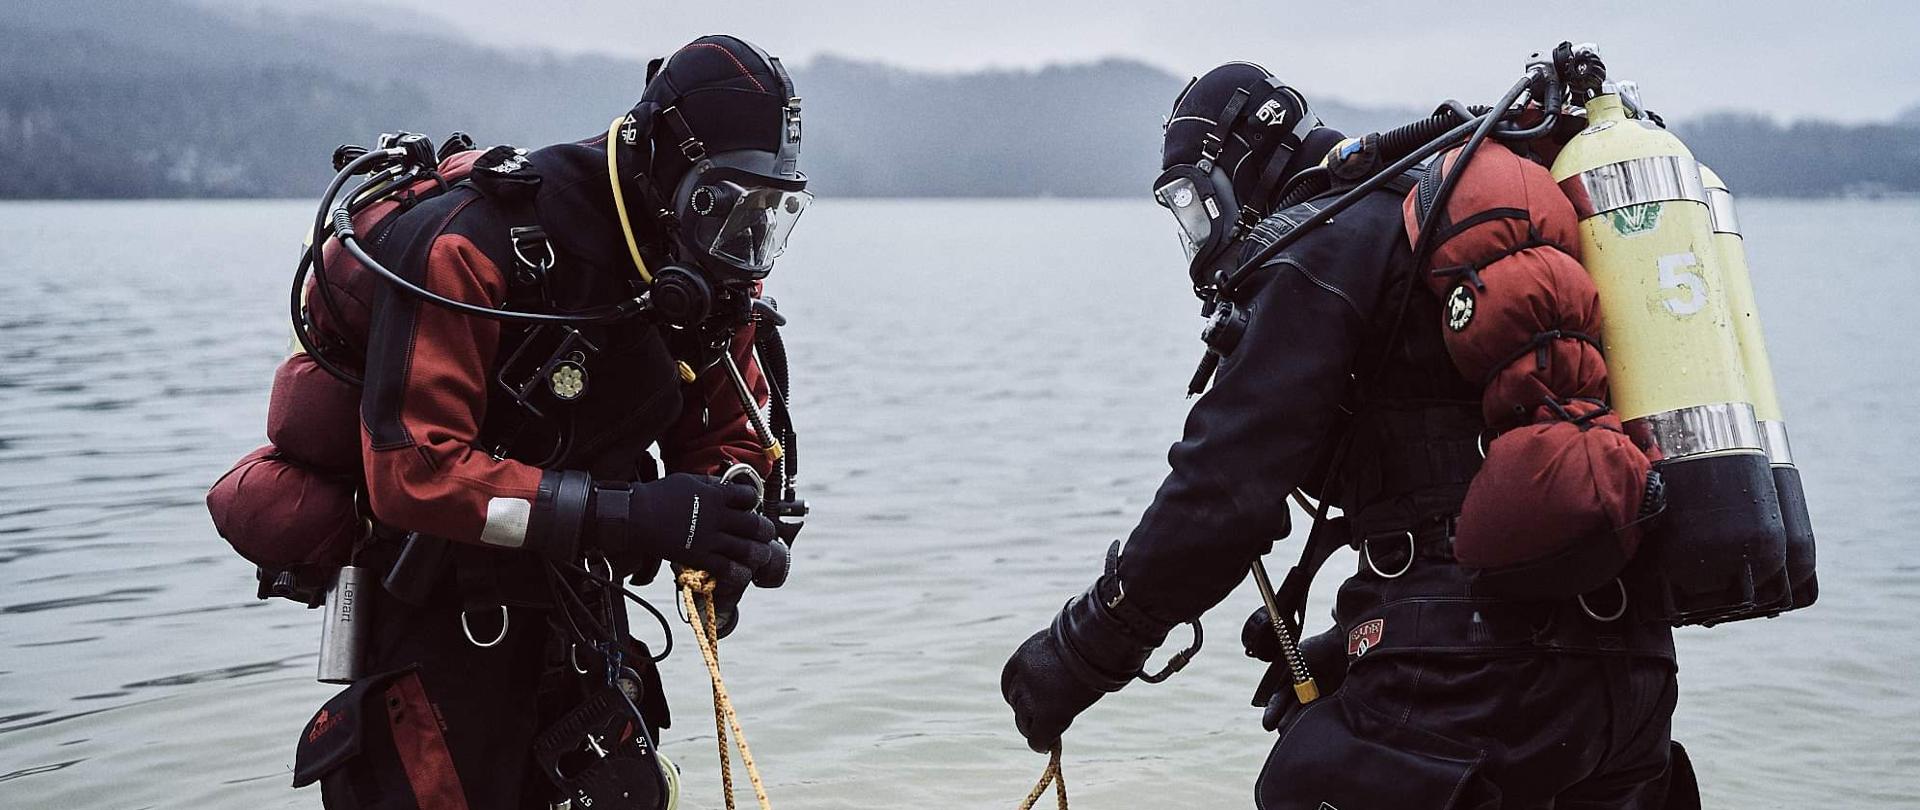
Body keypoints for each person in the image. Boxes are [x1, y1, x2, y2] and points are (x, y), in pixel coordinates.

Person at [1000, 62, 1691, 808]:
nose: (1199, 233)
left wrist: (1080, 650)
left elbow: (1223, 493)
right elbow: (1459, 468)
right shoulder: (1430, 227)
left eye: (1192, 205)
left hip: (1476, 681)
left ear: (1239, 170)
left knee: (1304, 782)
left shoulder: (1321, 244)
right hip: (1630, 674)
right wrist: (1363, 639)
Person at [288, 35, 809, 810]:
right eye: (727, 206)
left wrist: (725, 520)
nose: (746, 240)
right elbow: (412, 472)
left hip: (587, 640)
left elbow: (729, 430)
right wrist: (629, 516)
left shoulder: (703, 273)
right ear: (665, 163)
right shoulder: (474, 246)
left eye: (771, 212)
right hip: (442, 637)